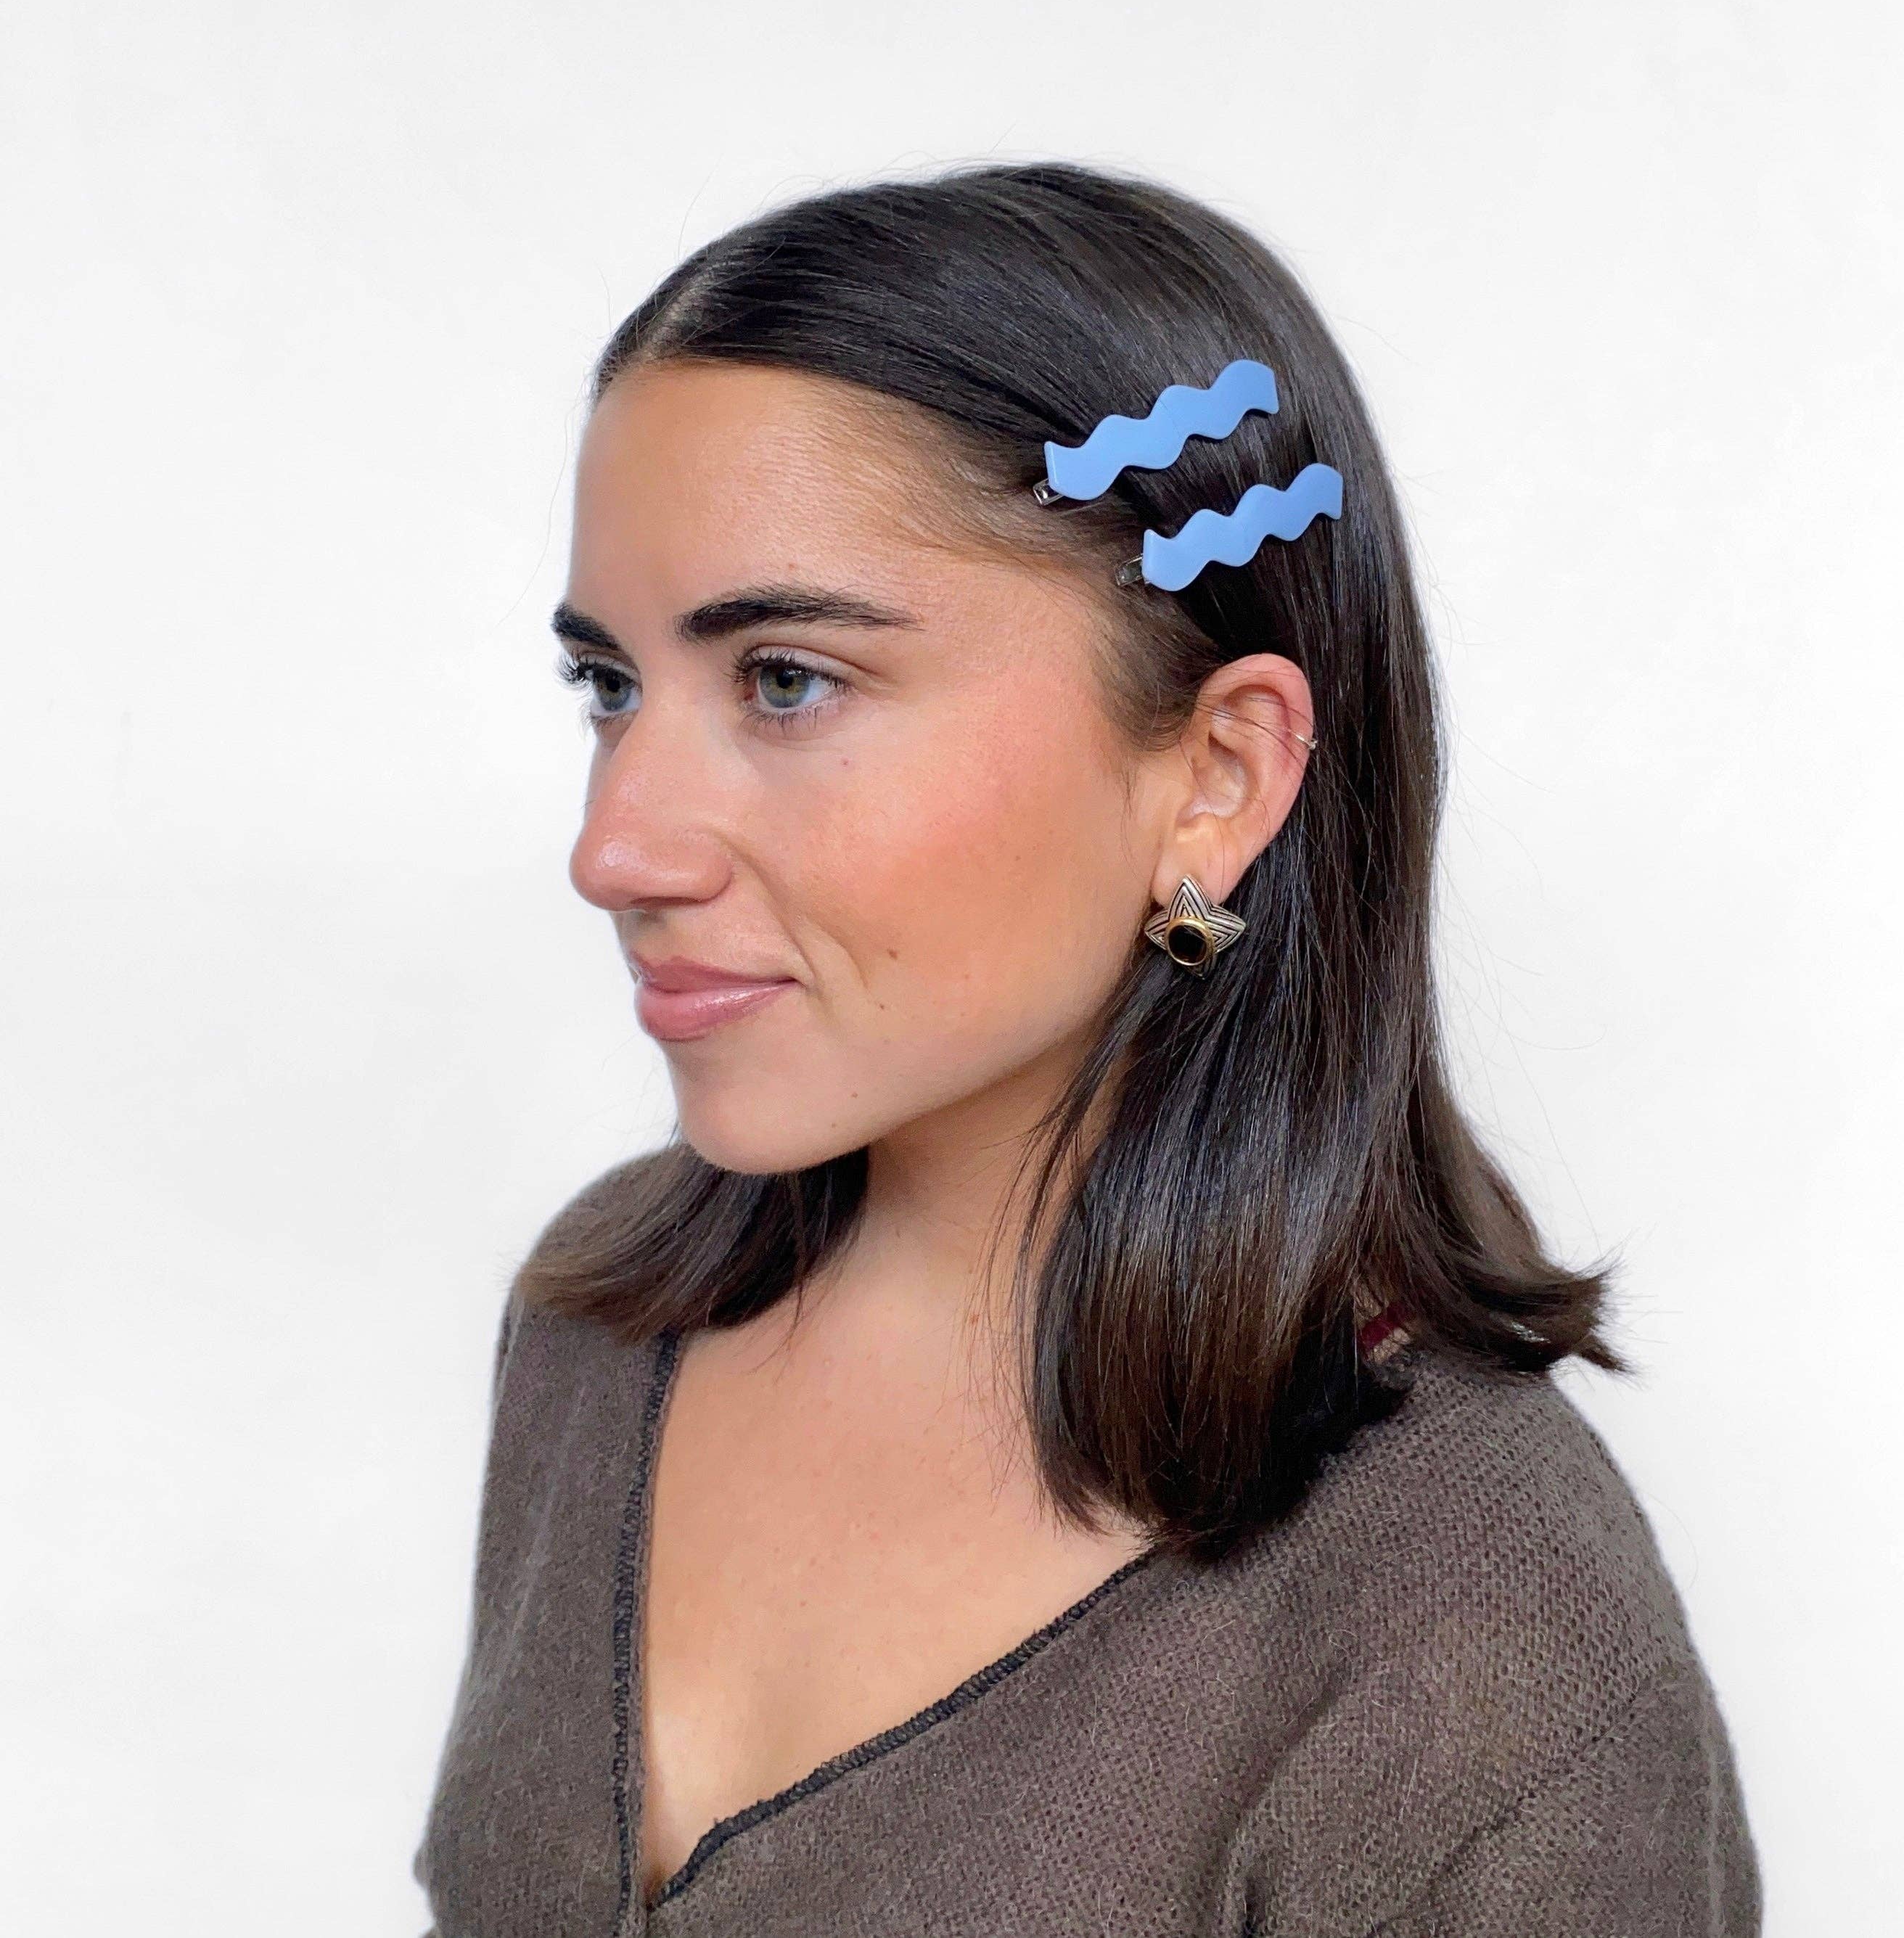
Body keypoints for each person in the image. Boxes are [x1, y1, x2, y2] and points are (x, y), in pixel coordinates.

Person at [412, 159, 1760, 1936]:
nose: (617, 848)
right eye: (611, 686)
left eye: (787, 680)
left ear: (1215, 776)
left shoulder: (1482, 1652)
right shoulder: (599, 1330)